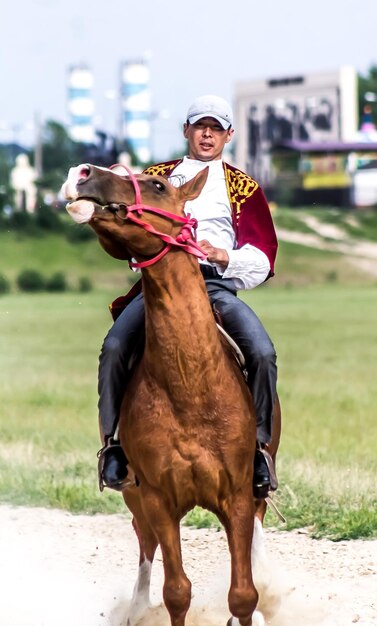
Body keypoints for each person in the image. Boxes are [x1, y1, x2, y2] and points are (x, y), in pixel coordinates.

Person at [97, 95, 279, 499]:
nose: (207, 134)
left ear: (229, 135)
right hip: (158, 286)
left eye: (216, 127)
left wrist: (224, 254)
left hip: (213, 285)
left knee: (263, 353)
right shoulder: (154, 177)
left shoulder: (244, 187)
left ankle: (260, 452)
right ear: (186, 130)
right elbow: (124, 219)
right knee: (113, 348)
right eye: (200, 126)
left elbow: (264, 254)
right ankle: (113, 447)